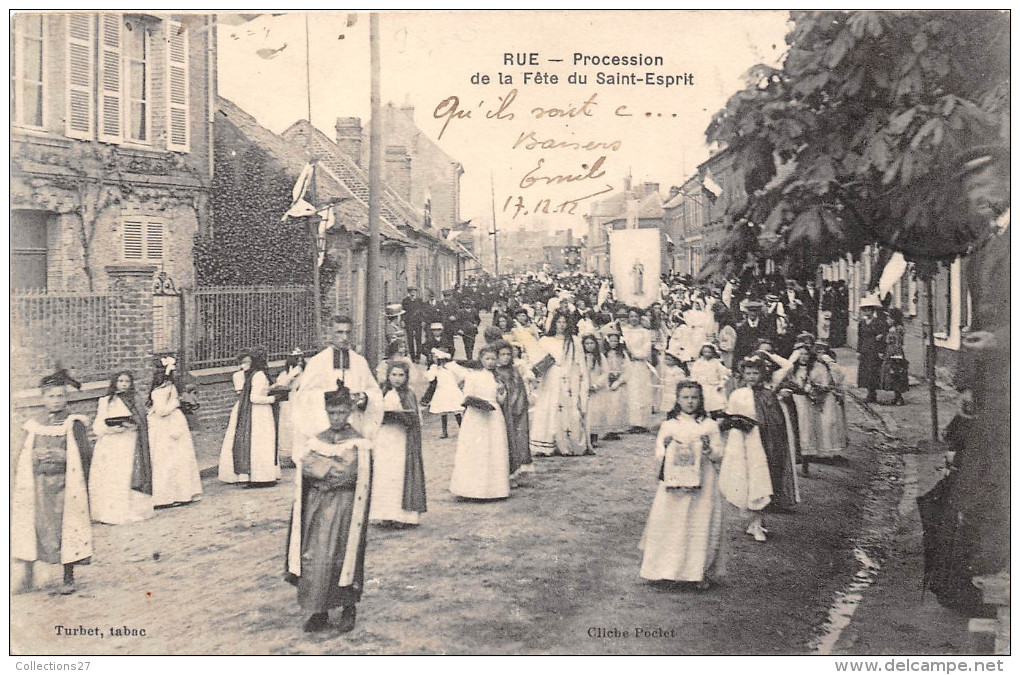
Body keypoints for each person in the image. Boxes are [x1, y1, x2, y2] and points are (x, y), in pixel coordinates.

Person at [285, 384, 372, 634]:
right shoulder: (318, 439)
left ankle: (347, 607)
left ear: (349, 412)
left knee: (342, 556)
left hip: (344, 506)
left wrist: (325, 468)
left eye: (341, 413)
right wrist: (328, 467)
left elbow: (348, 473)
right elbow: (306, 465)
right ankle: (319, 610)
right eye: (331, 413)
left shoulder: (358, 441)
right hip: (318, 505)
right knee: (316, 557)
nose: (336, 418)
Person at [13, 369, 93, 595]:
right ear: (43, 399)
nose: (55, 401)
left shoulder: (73, 424)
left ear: (66, 398)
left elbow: (85, 455)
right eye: (50, 396)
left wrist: (61, 457)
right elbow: (21, 453)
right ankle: (27, 576)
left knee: (65, 530)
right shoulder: (33, 425)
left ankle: (68, 576)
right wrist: (35, 458)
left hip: (64, 487)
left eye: (59, 396)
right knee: (33, 526)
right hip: (38, 485)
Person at [639, 381, 726, 588]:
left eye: (694, 397)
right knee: (672, 523)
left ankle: (696, 573)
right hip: (674, 483)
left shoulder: (709, 425)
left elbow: (719, 453)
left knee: (698, 524)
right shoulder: (670, 425)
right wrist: (666, 448)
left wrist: (707, 449)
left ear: (701, 399)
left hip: (702, 484)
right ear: (677, 400)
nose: (690, 402)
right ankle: (665, 570)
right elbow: (659, 450)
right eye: (685, 397)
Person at [718, 355, 796, 542]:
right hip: (743, 444)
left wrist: (766, 354)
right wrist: (734, 424)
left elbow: (776, 421)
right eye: (748, 373)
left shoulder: (768, 394)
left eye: (755, 373)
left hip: (764, 443)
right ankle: (755, 522)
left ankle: (757, 523)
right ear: (743, 375)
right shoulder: (737, 394)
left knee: (762, 481)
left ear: (762, 374)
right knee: (747, 480)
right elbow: (728, 419)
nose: (752, 377)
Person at [293, 315, 384, 441]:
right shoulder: (317, 362)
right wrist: (329, 397)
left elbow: (375, 392)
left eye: (348, 332)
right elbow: (303, 396)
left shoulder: (360, 362)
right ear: (330, 333)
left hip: (354, 426)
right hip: (324, 426)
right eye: (339, 332)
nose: (344, 338)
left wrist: (364, 397)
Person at [447, 345, 511, 499]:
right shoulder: (473, 376)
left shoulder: (498, 377)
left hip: (494, 416)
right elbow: (467, 395)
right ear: (481, 359)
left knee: (493, 449)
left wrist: (502, 392)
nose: (490, 362)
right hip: (476, 416)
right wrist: (478, 404)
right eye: (487, 359)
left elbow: (500, 400)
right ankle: (470, 489)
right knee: (476, 450)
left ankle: (494, 490)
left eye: (493, 359)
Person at [90, 370, 154, 524]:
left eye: (127, 381)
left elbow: (142, 423)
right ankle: (109, 511)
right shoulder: (106, 401)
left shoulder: (135, 401)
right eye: (120, 381)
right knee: (111, 477)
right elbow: (98, 426)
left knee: (125, 477)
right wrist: (110, 429)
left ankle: (128, 510)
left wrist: (132, 426)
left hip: (128, 443)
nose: (124, 384)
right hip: (110, 444)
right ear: (114, 383)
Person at [371, 362, 426, 527]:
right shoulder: (382, 393)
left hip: (401, 438)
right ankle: (384, 514)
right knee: (384, 474)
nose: (397, 379)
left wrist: (405, 417)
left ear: (406, 377)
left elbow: (415, 419)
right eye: (394, 375)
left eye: (401, 375)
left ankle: (402, 516)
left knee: (398, 473)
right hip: (384, 437)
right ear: (388, 376)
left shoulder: (408, 395)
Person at [529, 310, 591, 456]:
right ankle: (546, 443)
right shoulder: (545, 340)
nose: (561, 325)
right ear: (554, 323)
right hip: (550, 378)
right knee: (549, 406)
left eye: (564, 322)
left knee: (566, 408)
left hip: (568, 377)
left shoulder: (574, 341)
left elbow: (580, 362)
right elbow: (537, 360)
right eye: (559, 322)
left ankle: (565, 443)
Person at [218, 348, 281, 486]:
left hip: (259, 412)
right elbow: (254, 397)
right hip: (260, 412)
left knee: (259, 443)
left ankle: (258, 475)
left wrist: (272, 388)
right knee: (260, 443)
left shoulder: (254, 375)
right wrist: (273, 399)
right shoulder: (259, 375)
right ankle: (260, 476)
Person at [148, 356, 203, 507]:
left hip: (173, 423)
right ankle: (168, 495)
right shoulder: (162, 391)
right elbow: (161, 411)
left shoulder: (168, 389)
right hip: (165, 427)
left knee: (179, 458)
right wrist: (176, 402)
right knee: (169, 459)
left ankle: (181, 492)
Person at [494, 340, 534, 480]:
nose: (505, 357)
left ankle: (516, 471)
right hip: (501, 409)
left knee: (517, 438)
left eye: (508, 354)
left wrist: (516, 405)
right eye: (502, 355)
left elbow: (519, 390)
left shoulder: (514, 371)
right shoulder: (495, 372)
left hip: (515, 409)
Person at [621, 308, 655, 433]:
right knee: (629, 392)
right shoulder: (624, 331)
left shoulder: (645, 332)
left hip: (639, 365)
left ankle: (641, 423)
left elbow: (646, 349)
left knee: (640, 392)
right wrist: (625, 355)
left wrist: (635, 355)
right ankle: (629, 422)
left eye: (636, 316)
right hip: (626, 364)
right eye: (631, 316)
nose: (633, 318)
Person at [273, 348, 306, 463]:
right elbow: (283, 382)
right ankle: (289, 454)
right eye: (296, 358)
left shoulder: (304, 372)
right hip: (289, 401)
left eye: (301, 357)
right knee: (287, 426)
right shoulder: (287, 373)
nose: (299, 361)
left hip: (300, 400)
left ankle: (299, 454)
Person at [424, 349, 465, 439]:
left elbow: (462, 374)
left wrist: (459, 383)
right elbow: (430, 378)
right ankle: (444, 431)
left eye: (435, 356)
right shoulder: (436, 368)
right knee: (443, 411)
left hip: (452, 390)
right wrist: (433, 367)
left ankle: (463, 430)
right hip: (442, 390)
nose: (433, 358)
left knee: (456, 410)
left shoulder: (451, 366)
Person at [856, 297, 886, 403]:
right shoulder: (861, 323)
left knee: (873, 371)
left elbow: (882, 337)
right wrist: (858, 351)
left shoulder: (878, 322)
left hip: (874, 349)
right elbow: (860, 337)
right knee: (865, 371)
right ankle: (869, 392)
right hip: (865, 349)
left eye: (868, 310)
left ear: (873, 310)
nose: (866, 312)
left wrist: (881, 350)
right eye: (864, 310)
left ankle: (873, 393)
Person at [689, 343, 730, 415]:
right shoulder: (698, 363)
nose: (707, 354)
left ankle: (714, 418)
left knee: (714, 405)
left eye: (709, 352)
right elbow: (694, 374)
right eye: (705, 352)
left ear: (713, 353)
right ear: (701, 352)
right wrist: (694, 384)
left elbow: (723, 373)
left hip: (713, 386)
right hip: (702, 386)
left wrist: (721, 384)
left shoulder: (716, 362)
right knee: (702, 404)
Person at [879, 308, 909, 406]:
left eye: (889, 318)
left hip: (895, 353)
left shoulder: (896, 329)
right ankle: (896, 396)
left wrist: (895, 355)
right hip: (890, 351)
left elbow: (897, 342)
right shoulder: (893, 328)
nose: (888, 320)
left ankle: (899, 397)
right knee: (892, 375)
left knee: (896, 373)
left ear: (894, 319)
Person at [401, 287, 425, 363]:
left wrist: (422, 320)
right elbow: (403, 312)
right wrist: (402, 320)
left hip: (418, 322)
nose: (413, 293)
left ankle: (418, 357)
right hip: (409, 322)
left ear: (416, 293)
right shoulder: (405, 301)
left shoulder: (419, 300)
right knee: (410, 339)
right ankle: (412, 357)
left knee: (418, 339)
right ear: (409, 292)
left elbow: (422, 311)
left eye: (414, 291)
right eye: (411, 292)